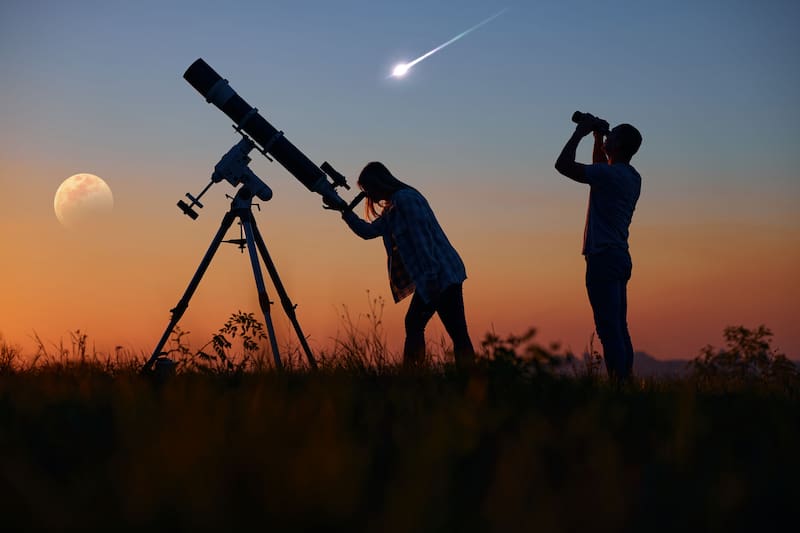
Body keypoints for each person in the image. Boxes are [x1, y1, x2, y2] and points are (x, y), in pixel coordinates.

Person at [337, 161, 475, 370]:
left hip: (440, 275)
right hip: (434, 275)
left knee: (450, 331)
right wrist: (344, 211)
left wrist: (430, 283)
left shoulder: (405, 200)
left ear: (378, 183)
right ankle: (420, 375)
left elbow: (423, 242)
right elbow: (367, 232)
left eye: (368, 189)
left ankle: (428, 376)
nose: (368, 196)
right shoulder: (393, 207)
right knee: (420, 325)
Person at [555, 114, 642, 381]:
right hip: (619, 256)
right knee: (620, 326)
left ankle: (618, 384)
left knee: (608, 329)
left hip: (602, 258)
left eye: (611, 135)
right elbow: (599, 171)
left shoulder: (609, 174)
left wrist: (580, 133)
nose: (608, 136)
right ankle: (625, 382)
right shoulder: (631, 176)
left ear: (618, 145)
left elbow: (563, 165)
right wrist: (598, 138)